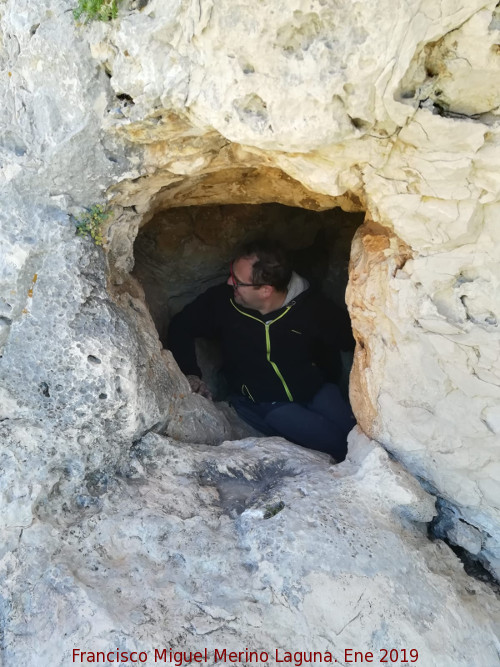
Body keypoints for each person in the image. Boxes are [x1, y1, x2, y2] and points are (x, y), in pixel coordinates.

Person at [166, 238, 355, 462]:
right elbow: (180, 326)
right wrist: (191, 373)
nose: (229, 282)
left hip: (317, 389)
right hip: (264, 402)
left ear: (265, 290)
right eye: (231, 273)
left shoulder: (312, 308)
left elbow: (352, 340)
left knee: (358, 437)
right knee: (339, 447)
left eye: (237, 281)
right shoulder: (222, 303)